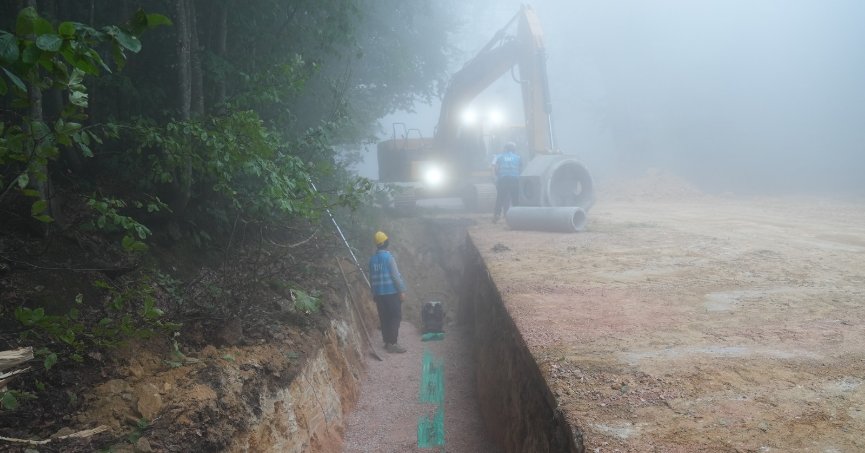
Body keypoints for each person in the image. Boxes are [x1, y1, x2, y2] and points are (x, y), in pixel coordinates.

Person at [368, 231, 408, 353]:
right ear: (386, 242)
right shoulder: (389, 258)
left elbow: (371, 279)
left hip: (379, 294)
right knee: (395, 317)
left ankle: (387, 342)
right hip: (391, 293)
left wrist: (374, 293)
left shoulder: (372, 260)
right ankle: (393, 343)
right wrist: (401, 290)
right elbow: (395, 276)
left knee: (384, 318)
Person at [492, 142, 522, 223]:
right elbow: (520, 168)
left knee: (500, 198)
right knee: (515, 199)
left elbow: (494, 166)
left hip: (503, 179)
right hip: (514, 179)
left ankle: (497, 216)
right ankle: (517, 217)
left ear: (505, 148)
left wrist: (496, 176)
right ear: (514, 149)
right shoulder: (518, 157)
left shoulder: (499, 156)